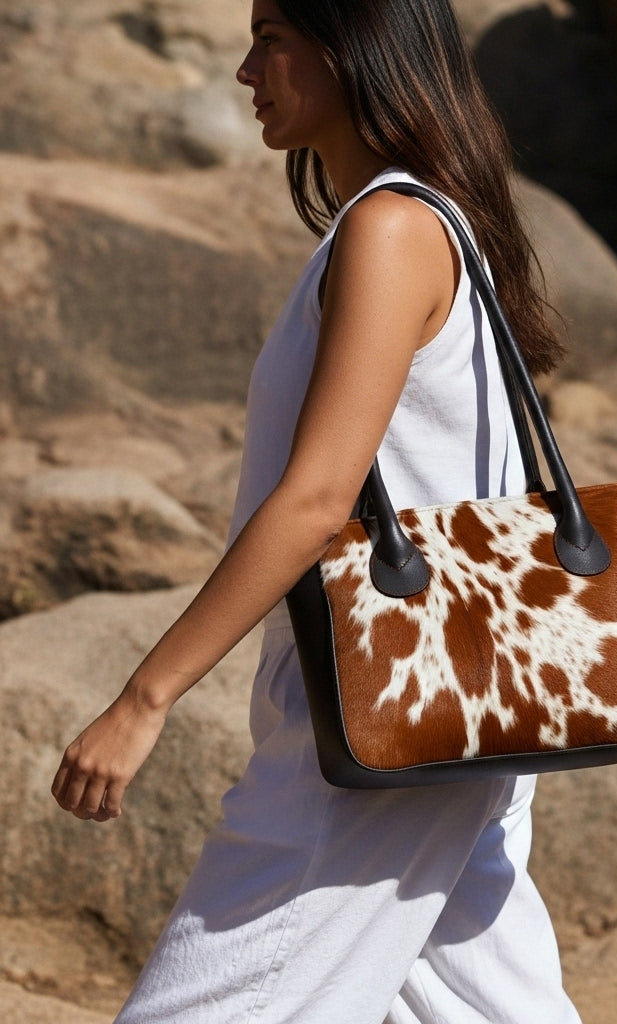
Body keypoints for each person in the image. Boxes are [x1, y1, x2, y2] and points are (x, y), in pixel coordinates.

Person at [50, 1, 583, 1020]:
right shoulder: (420, 222)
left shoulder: (391, 228)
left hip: (385, 716)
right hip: (451, 707)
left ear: (357, 46)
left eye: (273, 37)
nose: (248, 69)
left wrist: (145, 698)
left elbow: (317, 498)